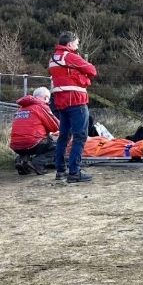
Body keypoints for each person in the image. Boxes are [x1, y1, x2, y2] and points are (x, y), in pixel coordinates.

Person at [48, 31, 97, 183]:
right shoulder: (70, 56)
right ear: (69, 44)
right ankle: (74, 172)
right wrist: (84, 78)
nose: (77, 46)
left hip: (61, 102)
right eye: (76, 43)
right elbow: (92, 71)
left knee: (63, 137)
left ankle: (60, 170)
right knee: (79, 137)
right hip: (76, 101)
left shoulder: (53, 59)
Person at [9, 87, 59, 175]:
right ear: (46, 98)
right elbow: (54, 126)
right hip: (33, 142)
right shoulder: (41, 107)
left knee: (26, 146)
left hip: (15, 145)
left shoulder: (21, 109)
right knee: (55, 148)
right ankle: (38, 164)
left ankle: (22, 161)